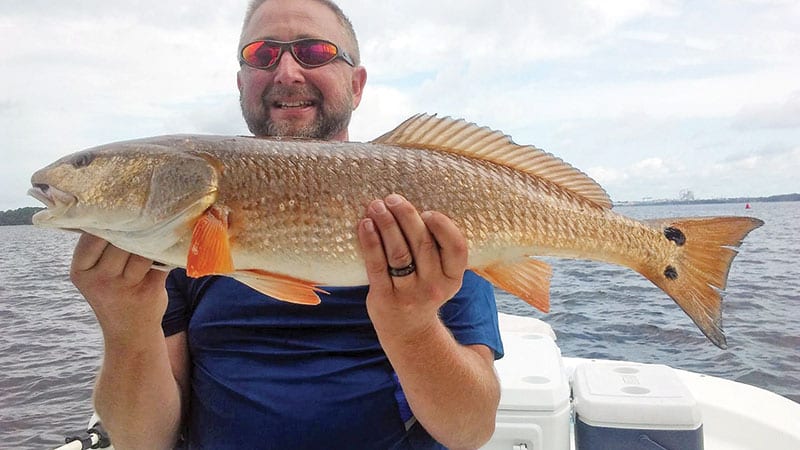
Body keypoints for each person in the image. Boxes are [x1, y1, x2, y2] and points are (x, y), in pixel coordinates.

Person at [70, 0, 503, 448]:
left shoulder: (432, 197)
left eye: (315, 51)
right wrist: (126, 327)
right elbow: (144, 442)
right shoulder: (168, 242)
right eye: (262, 54)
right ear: (242, 84)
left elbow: (471, 430)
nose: (287, 72)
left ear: (357, 85)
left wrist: (412, 325)